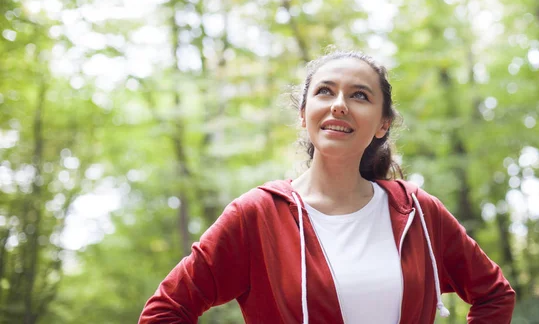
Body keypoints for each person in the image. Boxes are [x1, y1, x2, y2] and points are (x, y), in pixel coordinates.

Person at [139, 50, 515, 324]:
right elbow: (165, 312)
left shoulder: (416, 210)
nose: (339, 105)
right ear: (304, 115)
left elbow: (494, 296)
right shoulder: (257, 215)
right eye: (325, 92)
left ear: (382, 123)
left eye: (359, 95)